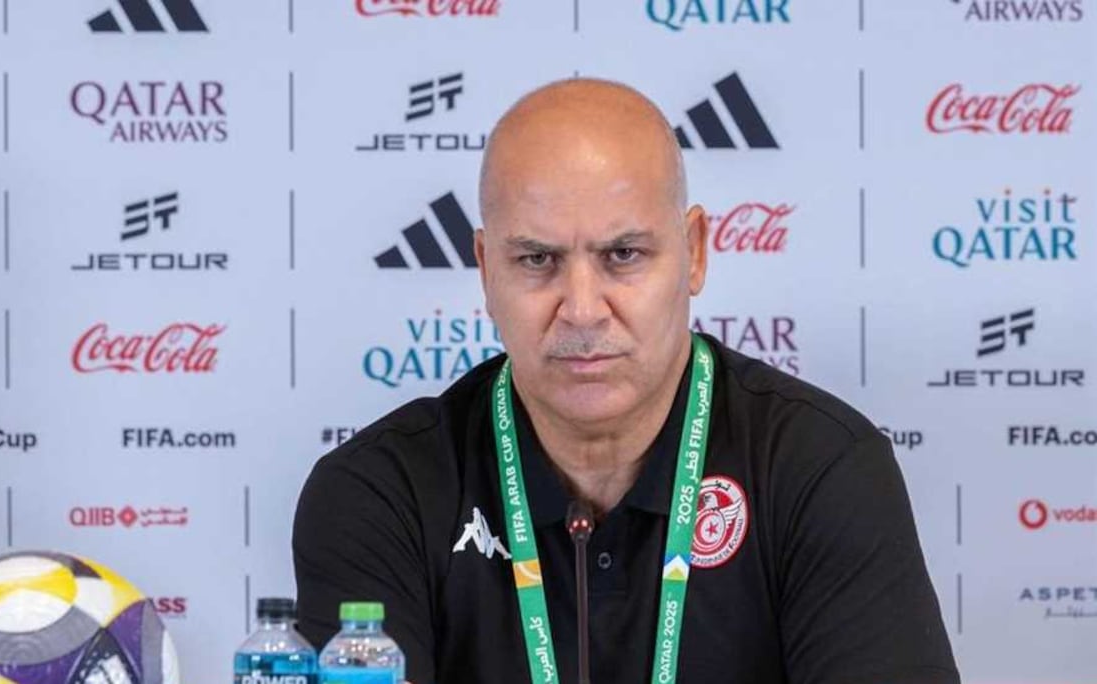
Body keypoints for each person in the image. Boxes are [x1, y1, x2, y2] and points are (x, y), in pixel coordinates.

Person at [293, 78, 960, 683]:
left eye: (623, 254)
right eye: (537, 259)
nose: (582, 310)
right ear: (486, 268)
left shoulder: (820, 466)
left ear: (694, 253)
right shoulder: (381, 492)